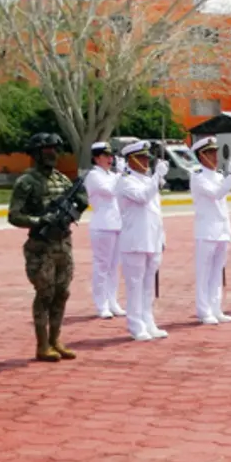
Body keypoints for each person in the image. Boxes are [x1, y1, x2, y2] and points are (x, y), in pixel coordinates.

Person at [8, 133, 89, 362]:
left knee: (62, 293)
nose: (52, 153)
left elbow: (76, 205)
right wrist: (39, 221)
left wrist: (79, 206)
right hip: (41, 246)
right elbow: (14, 215)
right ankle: (42, 344)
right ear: (35, 154)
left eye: (55, 149)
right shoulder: (26, 182)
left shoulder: (62, 180)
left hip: (63, 243)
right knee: (45, 293)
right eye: (47, 150)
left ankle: (56, 340)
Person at [115, 140, 170, 340]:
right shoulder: (125, 180)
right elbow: (143, 197)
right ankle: (136, 325)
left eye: (147, 158)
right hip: (135, 241)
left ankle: (148, 321)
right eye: (141, 158)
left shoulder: (148, 180)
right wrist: (158, 176)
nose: (146, 161)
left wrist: (161, 237)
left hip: (152, 240)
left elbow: (156, 213)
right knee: (135, 286)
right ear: (131, 160)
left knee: (148, 286)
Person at [190, 136, 231, 325]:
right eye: (210, 153)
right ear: (201, 156)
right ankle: (204, 310)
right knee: (204, 272)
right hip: (206, 230)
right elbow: (216, 194)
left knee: (217, 272)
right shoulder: (198, 176)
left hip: (221, 230)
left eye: (215, 152)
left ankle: (216, 307)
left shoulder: (219, 176)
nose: (215, 156)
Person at [84, 141, 125, 319]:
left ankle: (113, 301)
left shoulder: (111, 175)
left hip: (116, 224)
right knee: (102, 266)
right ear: (96, 158)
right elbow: (109, 191)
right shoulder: (94, 175)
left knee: (114, 266)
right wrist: (121, 175)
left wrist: (119, 175)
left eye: (111, 156)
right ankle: (101, 304)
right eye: (106, 156)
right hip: (102, 225)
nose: (110, 159)